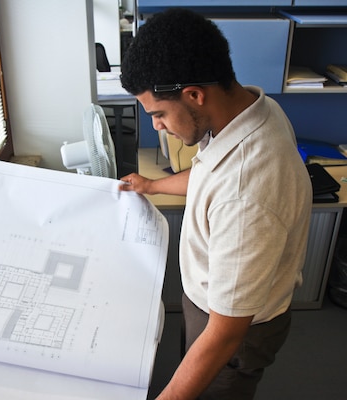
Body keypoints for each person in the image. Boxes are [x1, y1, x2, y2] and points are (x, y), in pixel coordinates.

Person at [119, 8, 312, 400]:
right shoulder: (252, 109)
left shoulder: (247, 199)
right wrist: (153, 186)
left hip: (233, 333)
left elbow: (225, 335)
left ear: (194, 95)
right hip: (213, 302)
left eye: (159, 114)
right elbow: (212, 176)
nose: (156, 125)